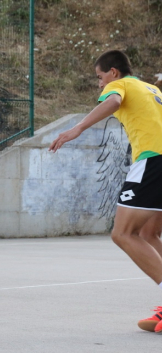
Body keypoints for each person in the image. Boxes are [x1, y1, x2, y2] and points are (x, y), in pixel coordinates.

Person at [49, 50, 162, 333]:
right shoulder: (152, 89)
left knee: (122, 233)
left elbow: (112, 101)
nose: (99, 84)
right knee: (149, 234)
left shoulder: (120, 85)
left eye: (100, 77)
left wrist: (77, 128)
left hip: (153, 160)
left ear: (113, 72)